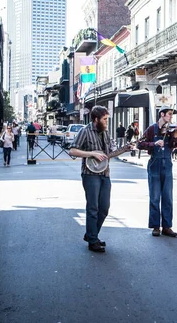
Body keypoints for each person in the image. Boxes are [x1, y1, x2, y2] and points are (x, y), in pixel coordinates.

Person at [69, 106, 119, 253]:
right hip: (90, 175)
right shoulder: (85, 131)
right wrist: (91, 154)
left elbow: (110, 153)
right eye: (104, 119)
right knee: (93, 208)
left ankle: (91, 234)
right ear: (96, 119)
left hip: (105, 174)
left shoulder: (106, 133)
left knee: (104, 208)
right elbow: (72, 150)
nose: (107, 122)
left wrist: (126, 149)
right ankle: (93, 240)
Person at [138, 106, 177, 237]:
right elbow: (140, 143)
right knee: (155, 196)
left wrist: (176, 136)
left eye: (171, 115)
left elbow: (173, 146)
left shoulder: (171, 130)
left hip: (167, 163)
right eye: (169, 114)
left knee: (167, 197)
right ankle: (156, 226)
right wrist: (153, 144)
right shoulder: (152, 129)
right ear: (162, 114)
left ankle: (167, 226)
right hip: (154, 163)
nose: (170, 117)